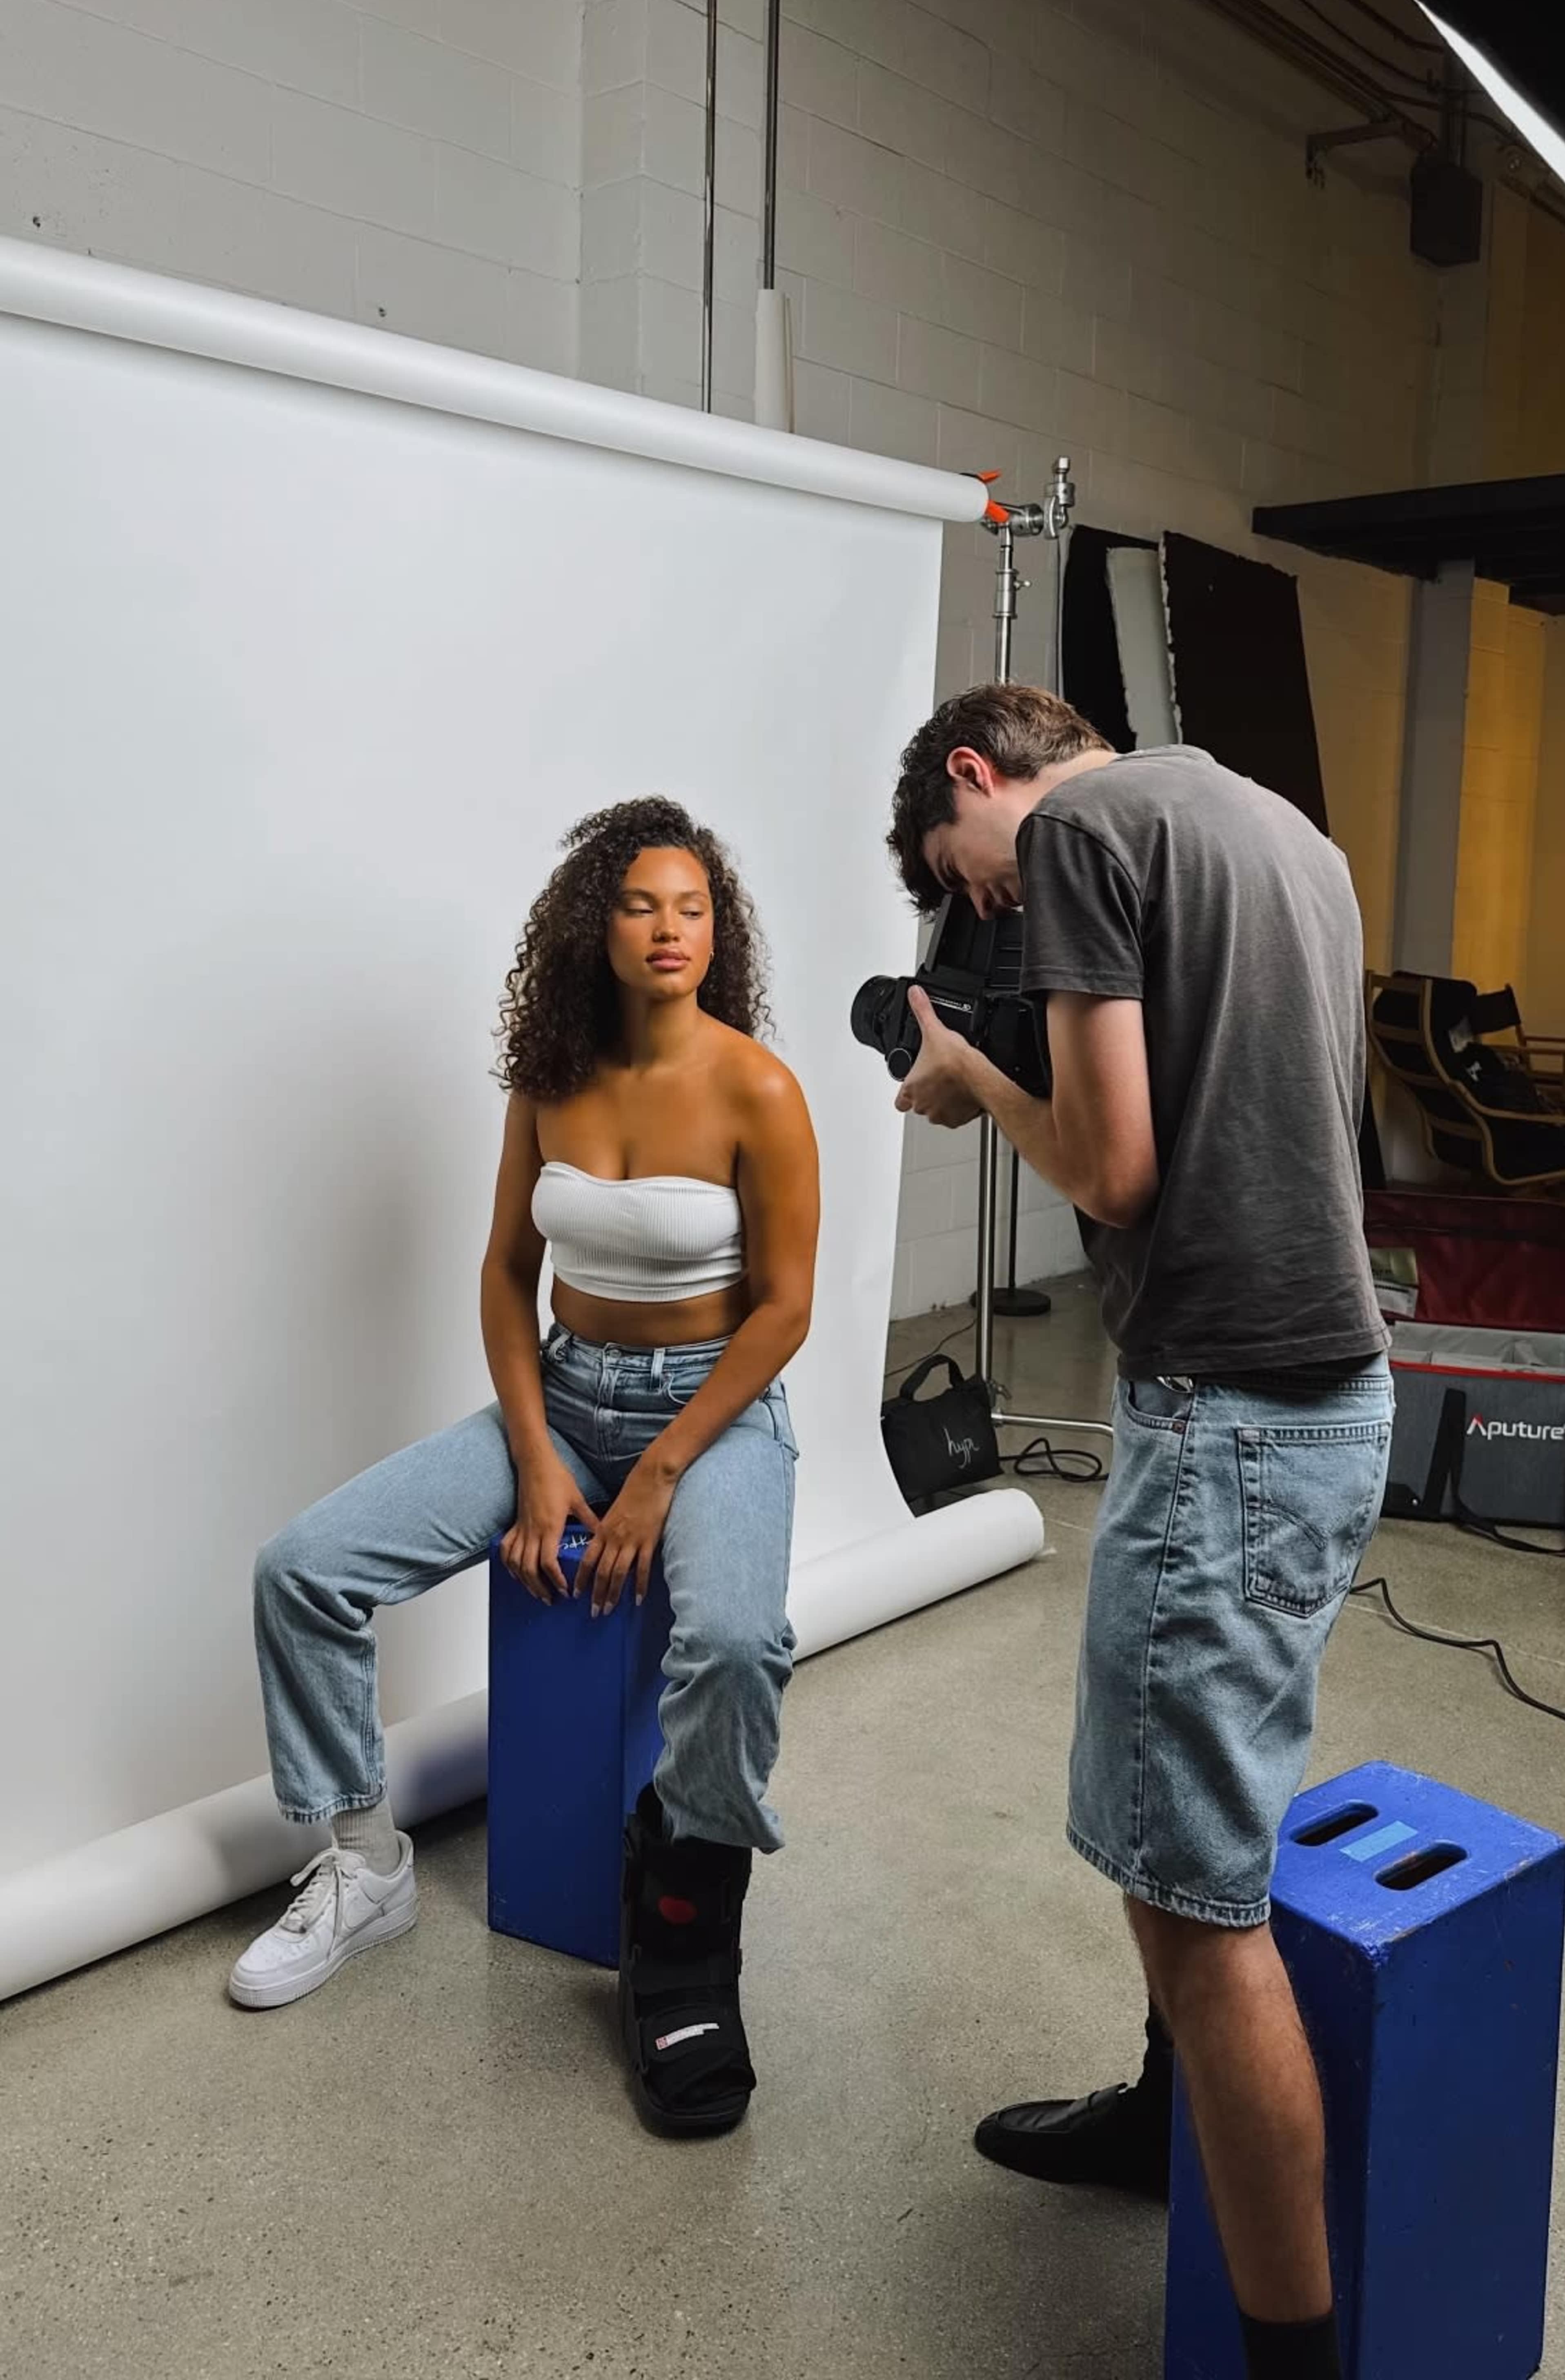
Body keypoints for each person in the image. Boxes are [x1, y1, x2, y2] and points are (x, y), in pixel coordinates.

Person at [886, 684, 1391, 2380]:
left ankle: (1291, 2360)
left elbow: (1113, 1167)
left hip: (1228, 1411)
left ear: (980, 776)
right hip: (1332, 1394)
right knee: (1188, 1838)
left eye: (972, 874)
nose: (994, 906)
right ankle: (1162, 2122)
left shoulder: (1082, 834)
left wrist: (970, 1079)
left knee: (1201, 1905)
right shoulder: (1282, 832)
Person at [231, 797, 818, 2138]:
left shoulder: (757, 1086)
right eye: (639, 905)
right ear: (592, 926)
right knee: (302, 1571)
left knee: (731, 1641)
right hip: (557, 1395)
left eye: (694, 907)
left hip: (713, 1412)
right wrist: (544, 1458)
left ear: (716, 931)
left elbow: (783, 1310)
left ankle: (683, 1930)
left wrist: (662, 1471)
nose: (670, 929)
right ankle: (365, 1862)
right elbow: (505, 1273)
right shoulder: (548, 1074)